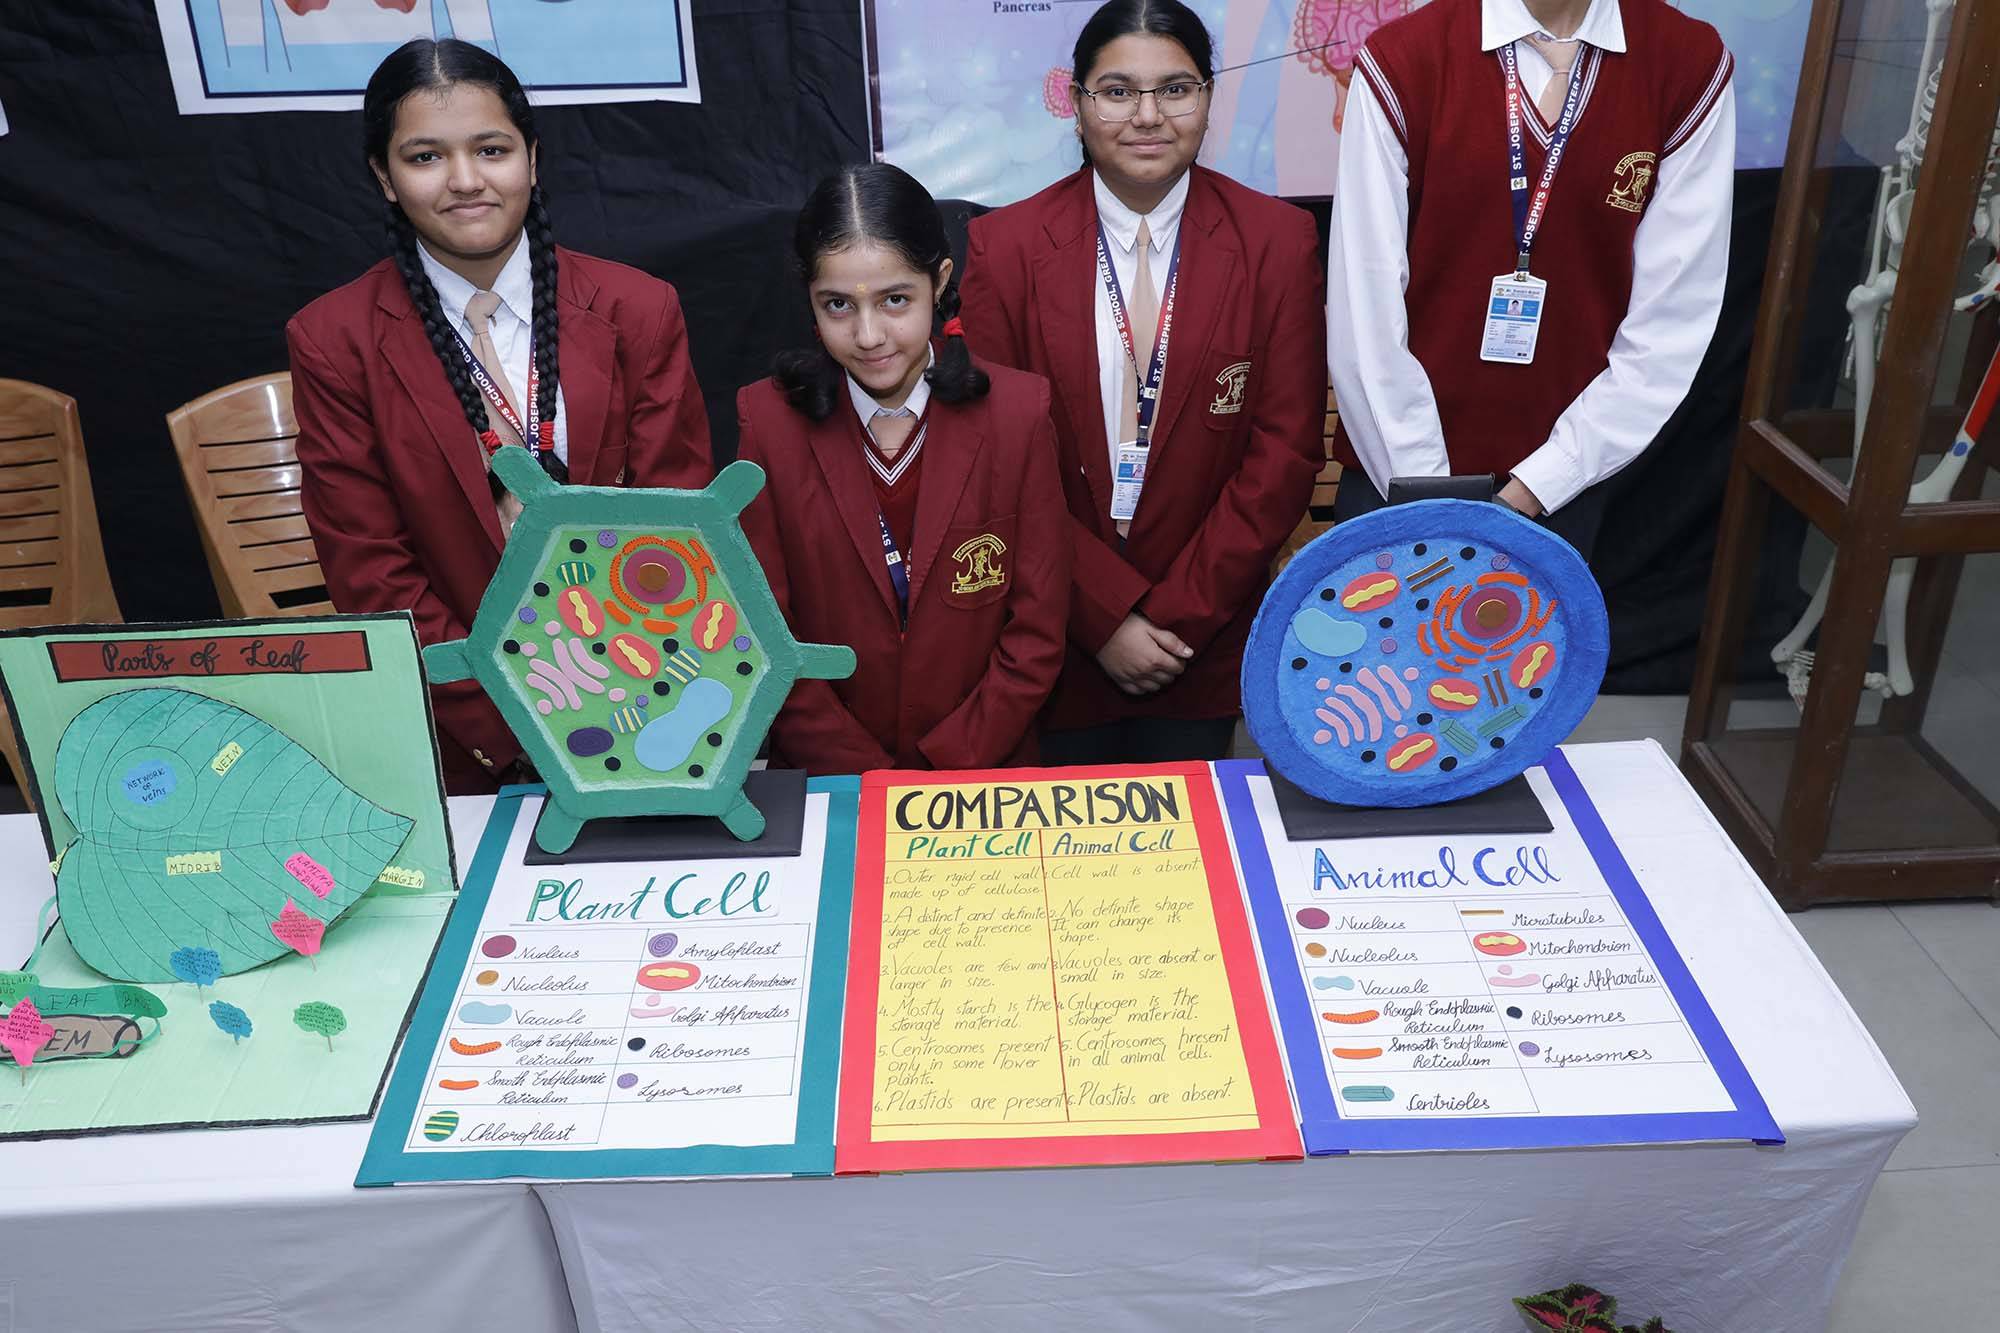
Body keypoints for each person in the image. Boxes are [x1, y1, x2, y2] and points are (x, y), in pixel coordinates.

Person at [288, 38, 712, 792]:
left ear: (532, 159)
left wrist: (620, 701)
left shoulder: (638, 309)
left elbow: (677, 523)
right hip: (466, 738)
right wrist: (514, 723)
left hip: (648, 708)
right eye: (425, 157)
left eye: (491, 150)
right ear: (384, 177)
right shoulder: (334, 340)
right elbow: (371, 572)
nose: (465, 180)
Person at [961, 0, 1327, 765]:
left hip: (1201, 641)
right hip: (1051, 640)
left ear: (1209, 96)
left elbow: (1285, 453)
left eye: (1176, 89)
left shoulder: (1277, 242)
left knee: (1198, 833)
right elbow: (996, 465)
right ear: (1077, 102)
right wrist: (1102, 618)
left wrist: (1174, 619)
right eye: (1119, 91)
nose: (1148, 116)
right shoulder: (1005, 249)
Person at [1326, 0, 1735, 557]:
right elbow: (1364, 313)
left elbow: (1672, 320)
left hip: (1562, 494)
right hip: (1393, 483)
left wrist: (1541, 484)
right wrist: (1433, 498)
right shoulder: (1404, 59)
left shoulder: (1688, 64)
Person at [736, 164, 1070, 775]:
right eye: (838, 305)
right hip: (829, 776)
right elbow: (764, 634)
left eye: (895, 300)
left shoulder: (1018, 414)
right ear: (809, 298)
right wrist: (868, 777)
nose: (869, 336)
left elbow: (1037, 631)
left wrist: (944, 770)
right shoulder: (769, 424)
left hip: (981, 771)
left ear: (939, 283)